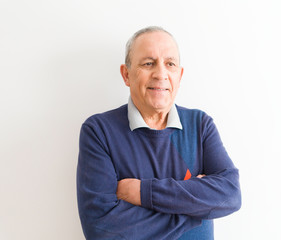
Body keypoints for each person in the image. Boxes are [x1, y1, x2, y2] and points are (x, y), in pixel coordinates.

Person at [77, 26, 241, 240]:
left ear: (179, 75)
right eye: (148, 63)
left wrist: (143, 193)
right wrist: (197, 208)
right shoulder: (99, 131)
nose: (161, 74)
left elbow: (230, 195)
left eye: (170, 64)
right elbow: (101, 230)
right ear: (126, 75)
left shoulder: (200, 124)